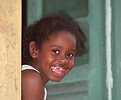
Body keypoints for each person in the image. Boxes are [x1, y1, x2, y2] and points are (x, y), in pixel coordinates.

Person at [22, 13, 86, 100]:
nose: (63, 60)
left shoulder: (33, 79)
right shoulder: (32, 79)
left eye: (70, 55)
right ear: (34, 50)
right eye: (55, 51)